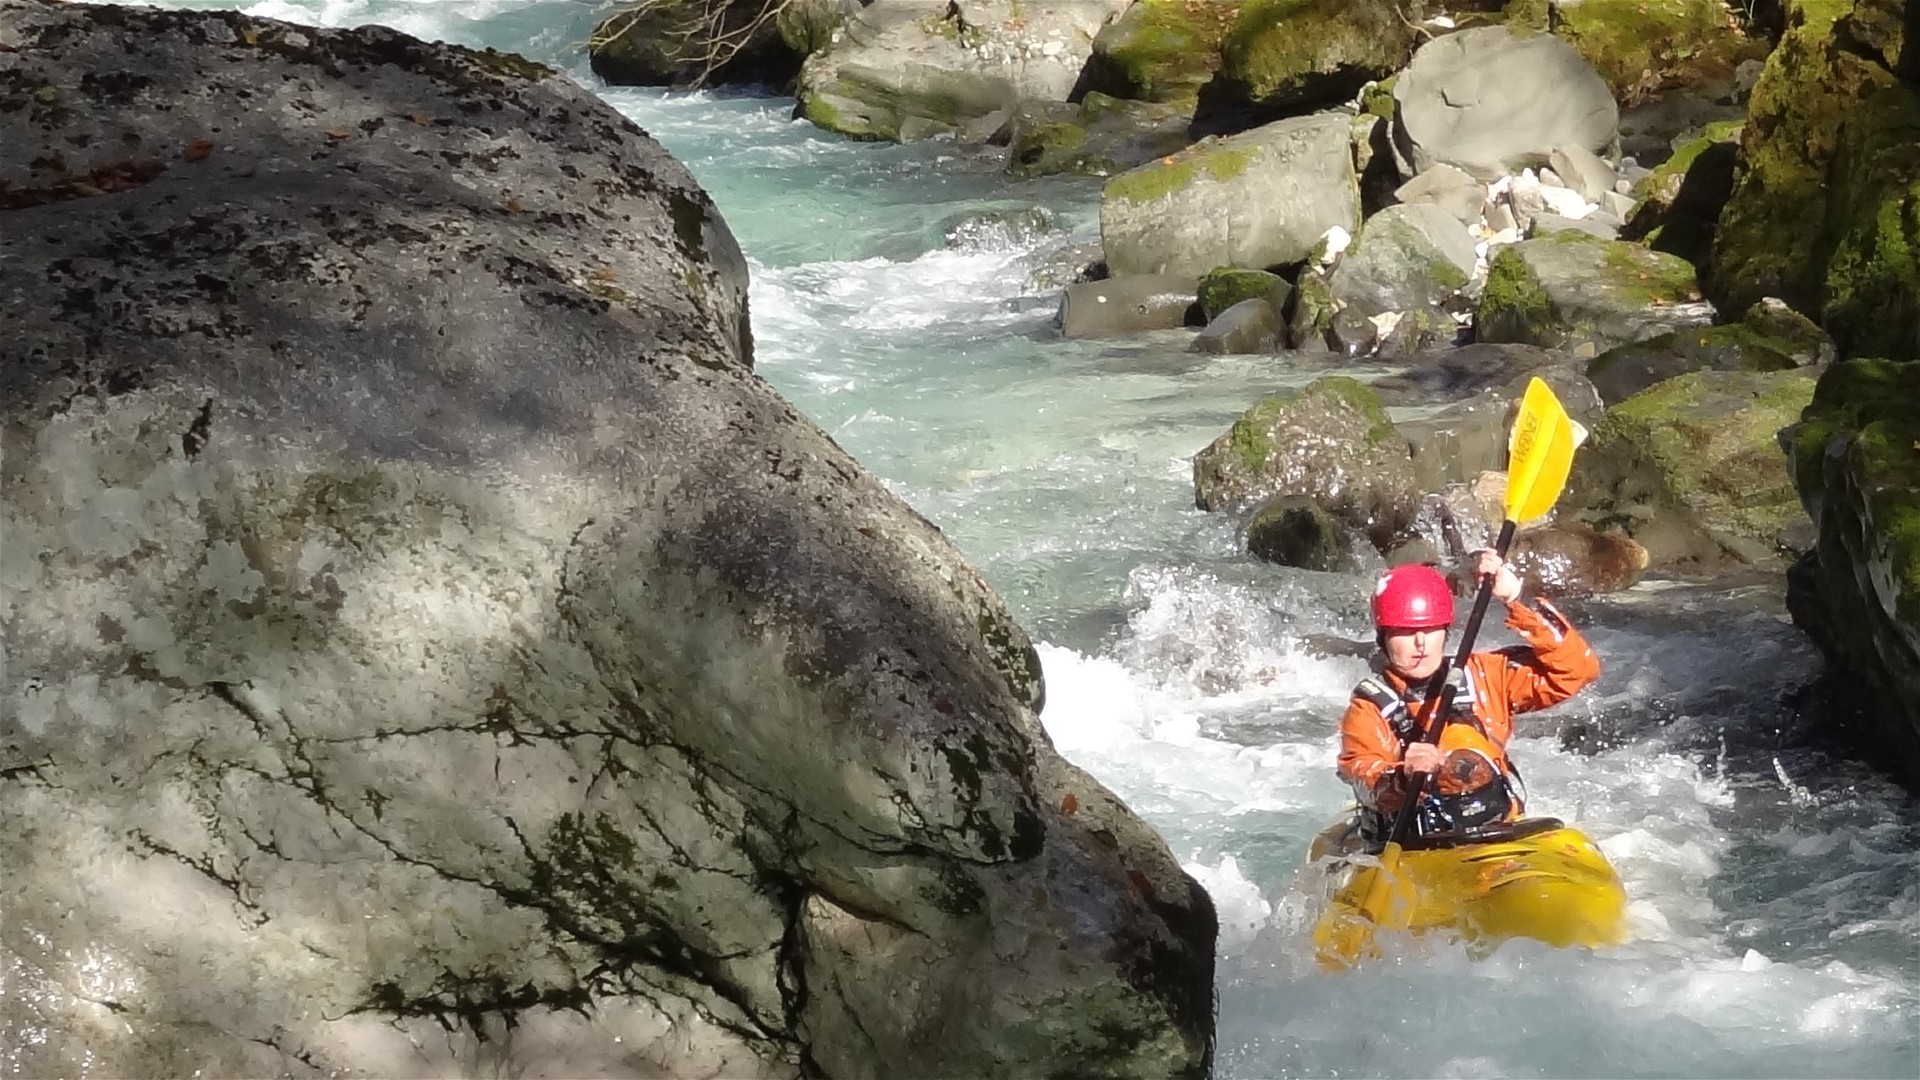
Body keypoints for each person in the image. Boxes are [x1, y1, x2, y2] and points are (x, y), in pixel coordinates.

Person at [1336, 551, 1601, 842]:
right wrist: (1402, 777)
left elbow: (1578, 670)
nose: (1421, 643)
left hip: (1497, 832)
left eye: (1430, 628)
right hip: (1416, 846)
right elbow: (1362, 776)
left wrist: (1517, 597)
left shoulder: (1485, 675)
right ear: (1383, 638)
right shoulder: (1370, 707)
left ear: (1446, 631)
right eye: (1405, 631)